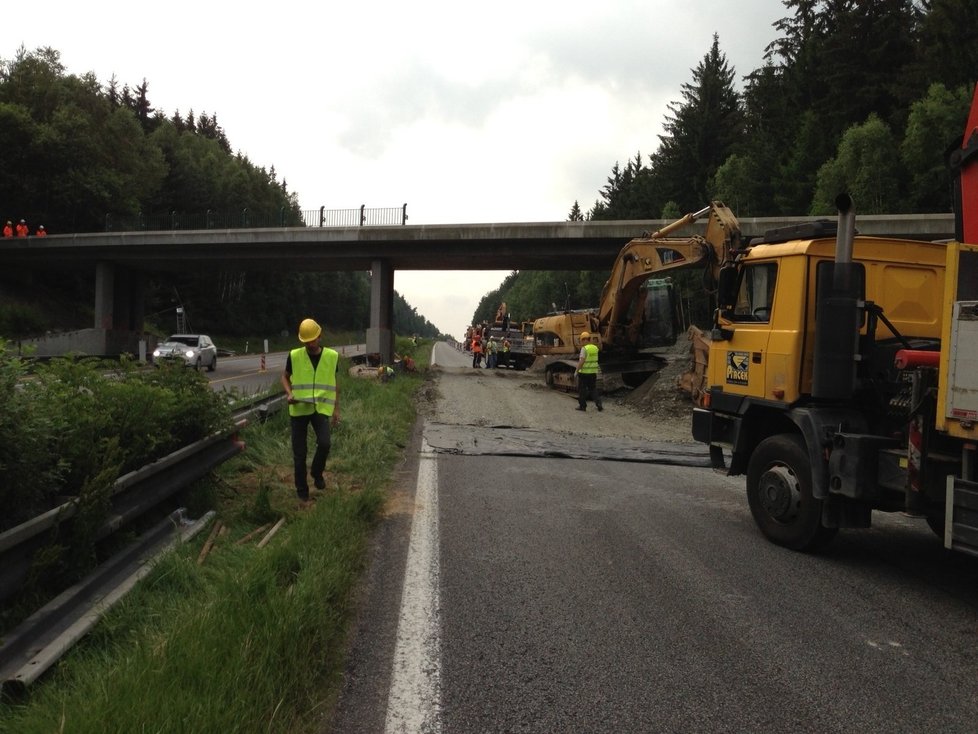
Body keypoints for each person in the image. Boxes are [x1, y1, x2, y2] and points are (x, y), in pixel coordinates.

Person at [280, 318, 340, 502]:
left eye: (312, 340)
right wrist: (289, 393)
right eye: (306, 341)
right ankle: (302, 491)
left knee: (325, 443)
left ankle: (316, 472)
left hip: (320, 408)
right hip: (298, 408)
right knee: (300, 453)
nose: (309, 344)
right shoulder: (294, 355)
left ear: (319, 337)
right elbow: (284, 377)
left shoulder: (331, 356)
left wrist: (336, 410)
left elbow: (335, 383)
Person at [575, 331, 603, 412]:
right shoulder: (595, 348)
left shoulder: (584, 349)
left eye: (581, 341)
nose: (581, 343)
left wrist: (577, 371)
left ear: (584, 340)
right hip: (593, 373)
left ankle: (582, 406)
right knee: (593, 389)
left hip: (584, 373)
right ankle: (599, 404)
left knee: (582, 390)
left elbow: (582, 361)